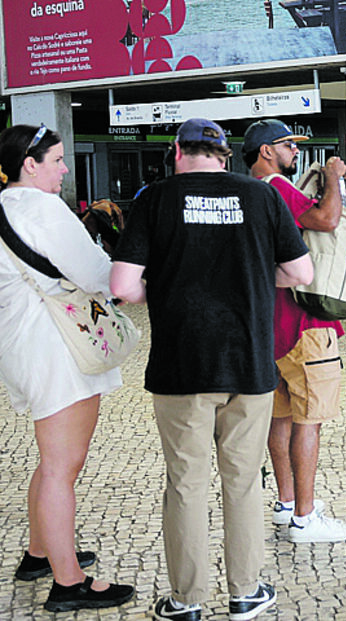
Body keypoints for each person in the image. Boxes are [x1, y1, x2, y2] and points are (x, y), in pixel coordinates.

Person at [111, 118, 313, 621]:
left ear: (178, 151)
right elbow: (300, 273)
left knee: (185, 481)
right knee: (242, 481)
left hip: (181, 365)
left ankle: (186, 601)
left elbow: (122, 284)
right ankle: (245, 592)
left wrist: (165, 287)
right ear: (224, 155)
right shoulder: (261, 197)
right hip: (249, 362)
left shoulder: (154, 198)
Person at [0, 124, 135, 613]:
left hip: (24, 348)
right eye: (56, 160)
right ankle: (68, 582)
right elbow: (99, 274)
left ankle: (40, 554)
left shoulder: (5, 207)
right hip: (59, 351)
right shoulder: (41, 208)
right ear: (29, 165)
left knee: (50, 460)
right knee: (62, 466)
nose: (63, 169)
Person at [243, 119, 346, 543]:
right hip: (305, 323)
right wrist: (333, 176)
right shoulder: (276, 186)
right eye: (288, 145)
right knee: (309, 420)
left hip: (268, 326)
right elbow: (327, 220)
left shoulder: (247, 192)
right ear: (266, 152)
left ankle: (287, 502)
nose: (294, 151)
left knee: (281, 416)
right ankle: (305, 519)